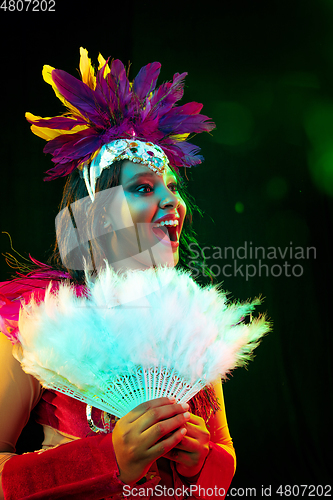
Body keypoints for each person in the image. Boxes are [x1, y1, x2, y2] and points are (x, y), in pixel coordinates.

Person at [0, 47, 265, 499]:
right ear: (100, 217)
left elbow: (224, 464)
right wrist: (109, 459)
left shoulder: (191, 322)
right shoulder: (34, 320)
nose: (172, 203)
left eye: (171, 188)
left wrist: (204, 461)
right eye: (143, 188)